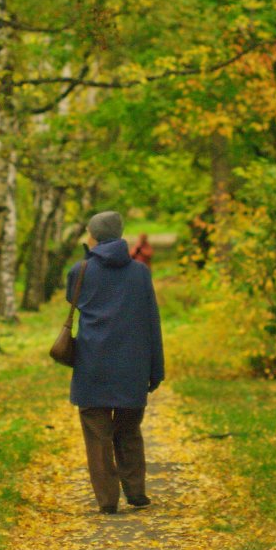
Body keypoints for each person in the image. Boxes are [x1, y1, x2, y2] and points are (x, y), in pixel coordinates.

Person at [66, 211, 165, 514]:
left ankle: (107, 500)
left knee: (97, 436)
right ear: (121, 234)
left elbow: (74, 301)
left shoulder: (80, 270)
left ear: (93, 235)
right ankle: (135, 491)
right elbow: (152, 322)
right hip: (131, 366)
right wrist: (156, 369)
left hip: (92, 365)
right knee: (129, 429)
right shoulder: (139, 273)